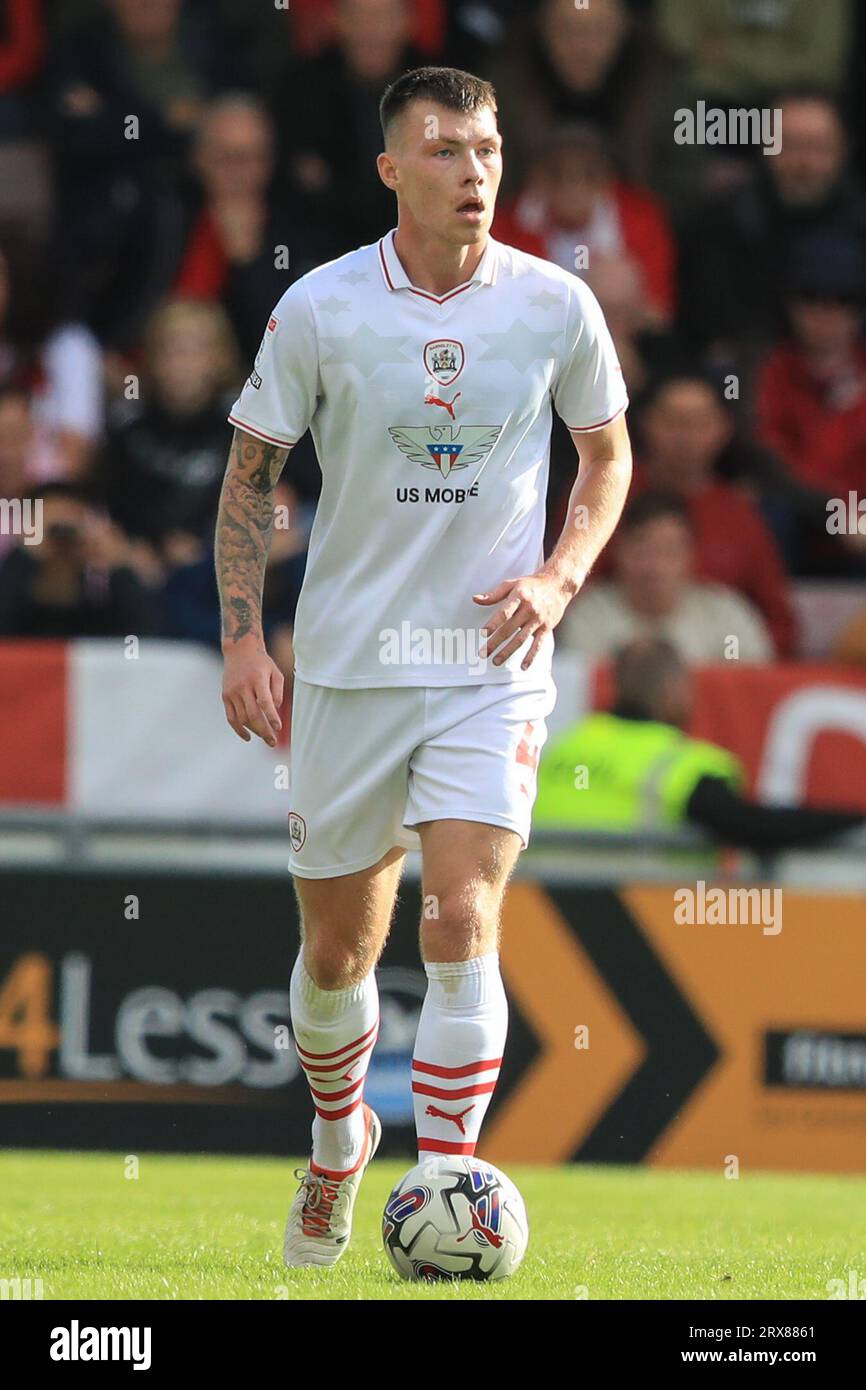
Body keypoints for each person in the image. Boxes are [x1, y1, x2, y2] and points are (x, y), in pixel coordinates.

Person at [214, 65, 631, 1266]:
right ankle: (338, 1140)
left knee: (460, 913)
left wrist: (554, 579)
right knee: (338, 954)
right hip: (348, 665)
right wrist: (244, 636)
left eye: (489, 149)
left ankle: (447, 1182)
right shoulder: (322, 308)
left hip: (486, 660)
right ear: (392, 169)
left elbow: (605, 460)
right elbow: (251, 480)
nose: (474, 172)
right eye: (445, 150)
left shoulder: (555, 304)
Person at [534, 638, 864, 851]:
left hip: (541, 919)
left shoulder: (563, 747)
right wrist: (855, 819)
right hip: (643, 924)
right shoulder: (680, 767)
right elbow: (757, 827)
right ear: (671, 689)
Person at [558, 490, 774, 664]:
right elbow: (578, 687)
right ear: (617, 551)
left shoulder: (727, 617)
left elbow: (749, 687)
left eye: (669, 551)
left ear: (691, 555)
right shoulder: (589, 618)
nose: (655, 567)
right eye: (642, 550)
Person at [0, 481, 161, 638]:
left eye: (69, 518)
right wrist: (24, 557)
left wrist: (119, 566)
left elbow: (148, 639)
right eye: (46, 519)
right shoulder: (12, 583)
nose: (61, 534)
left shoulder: (102, 601)